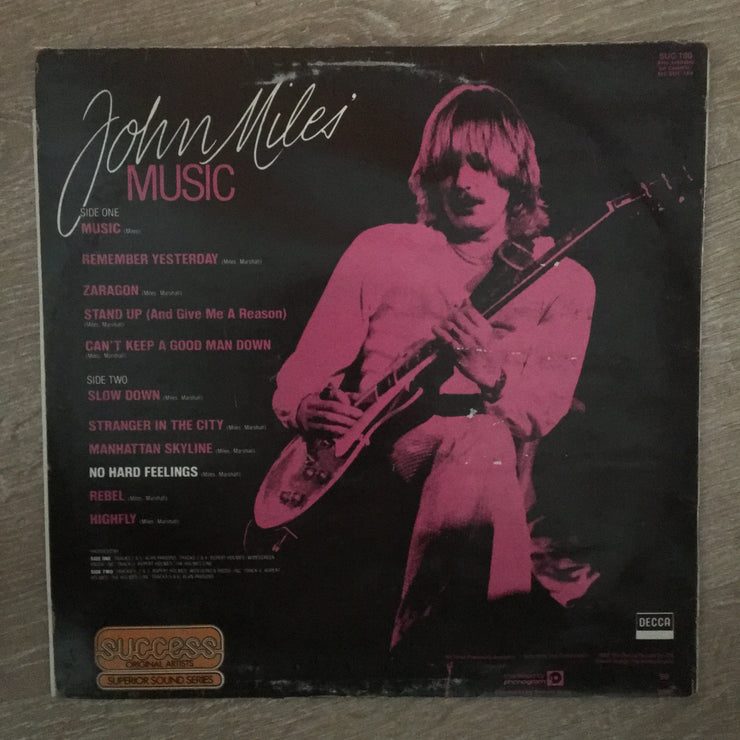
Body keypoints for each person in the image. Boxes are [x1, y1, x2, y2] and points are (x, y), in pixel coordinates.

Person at [272, 84, 598, 657]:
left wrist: (490, 372)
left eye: (482, 164)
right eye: (448, 166)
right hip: (373, 456)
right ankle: (445, 657)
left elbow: (542, 412)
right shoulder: (382, 248)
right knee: (482, 446)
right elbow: (304, 369)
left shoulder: (564, 281)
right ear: (428, 175)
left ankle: (423, 654)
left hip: (488, 465)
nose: (464, 183)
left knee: (482, 438)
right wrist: (305, 406)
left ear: (517, 174)